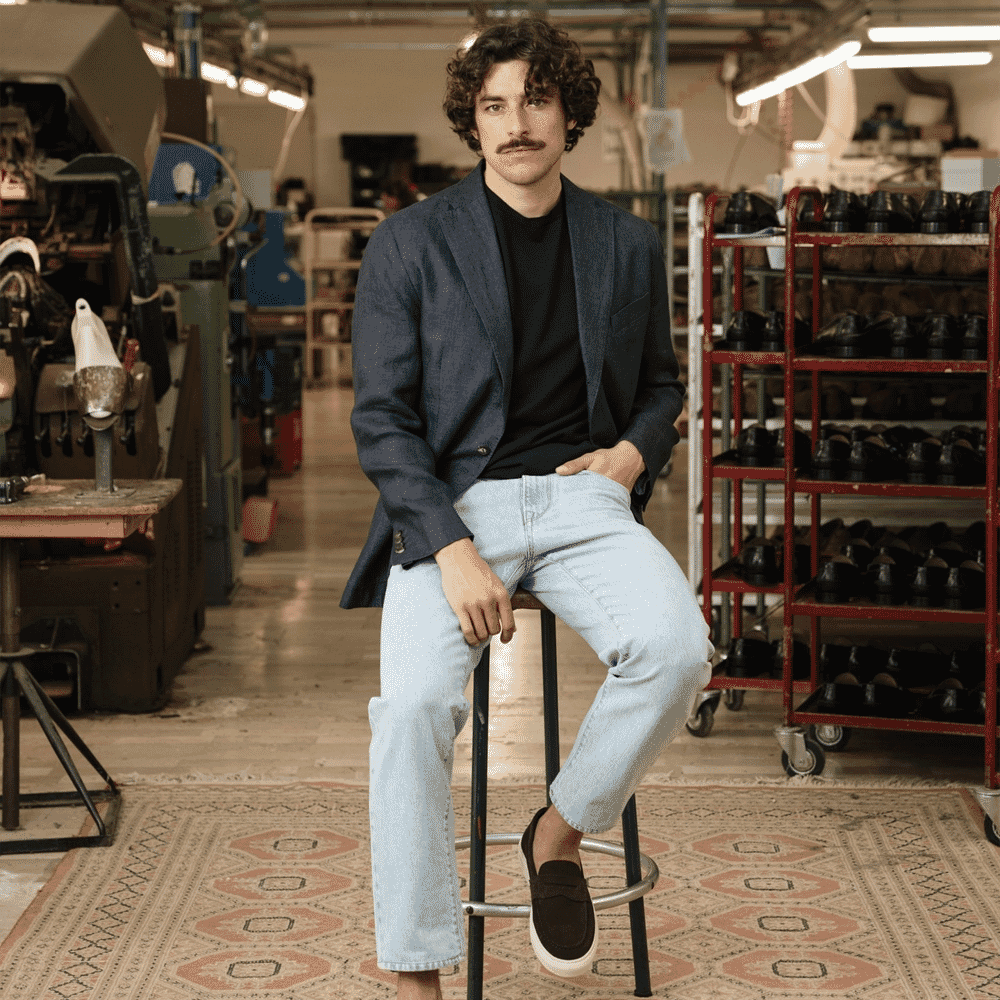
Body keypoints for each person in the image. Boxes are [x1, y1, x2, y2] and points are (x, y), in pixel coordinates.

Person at [340, 17, 712, 1000]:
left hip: (586, 499)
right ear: (472, 120)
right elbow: (381, 419)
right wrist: (448, 545)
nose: (516, 123)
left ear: (568, 113)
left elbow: (662, 386)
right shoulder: (410, 242)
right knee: (413, 709)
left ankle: (559, 829)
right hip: (452, 505)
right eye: (495, 105)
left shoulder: (625, 243)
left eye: (535, 101)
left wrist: (634, 452)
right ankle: (416, 965)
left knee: (679, 650)